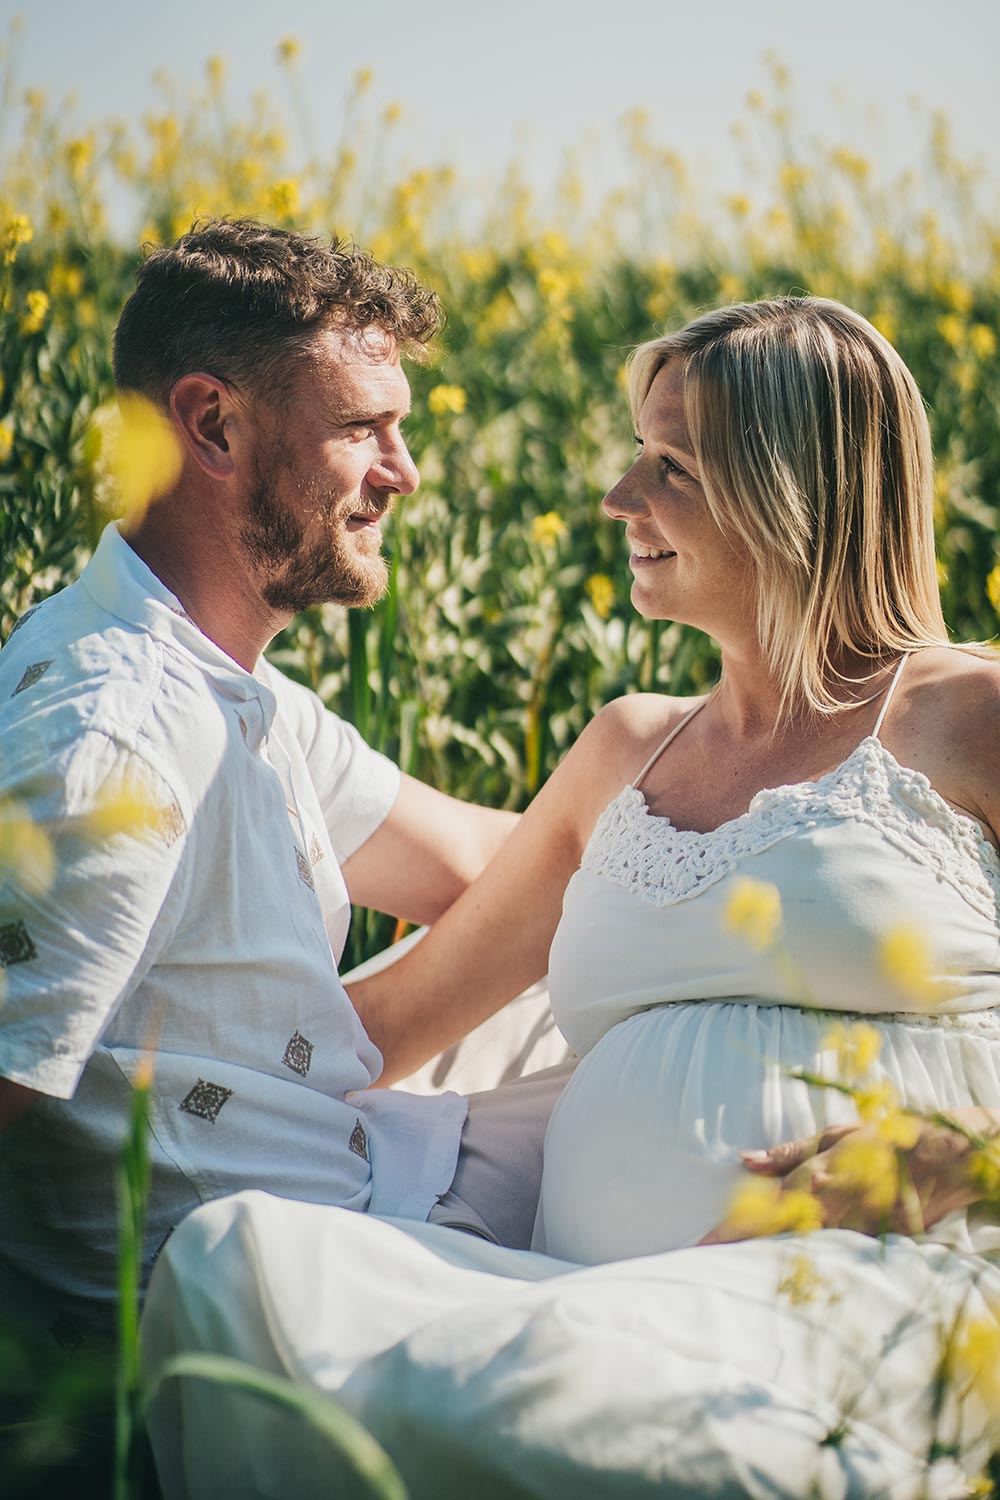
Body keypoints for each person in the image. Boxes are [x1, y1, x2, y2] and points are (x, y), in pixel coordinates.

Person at [144, 296, 1000, 1499]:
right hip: (595, 1300)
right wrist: (103, 1067)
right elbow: (384, 1025)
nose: (618, 498)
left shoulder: (968, 717)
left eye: (671, 468)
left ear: (794, 492)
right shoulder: (626, 749)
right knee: (233, 1264)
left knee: (533, 1400)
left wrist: (950, 1152)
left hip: (859, 1285)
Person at [0, 217, 570, 1351]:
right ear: (213, 425)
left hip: (358, 1166)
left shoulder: (223, 680)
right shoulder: (119, 740)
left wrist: (746, 835)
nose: (403, 472)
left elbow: (476, 865)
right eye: (361, 429)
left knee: (644, 1000)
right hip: (286, 1305)